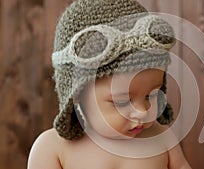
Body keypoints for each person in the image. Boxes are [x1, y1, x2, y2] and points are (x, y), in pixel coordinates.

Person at [27, 0, 191, 168]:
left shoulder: (162, 138)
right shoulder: (53, 149)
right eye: (122, 101)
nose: (143, 111)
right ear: (77, 96)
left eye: (152, 95)